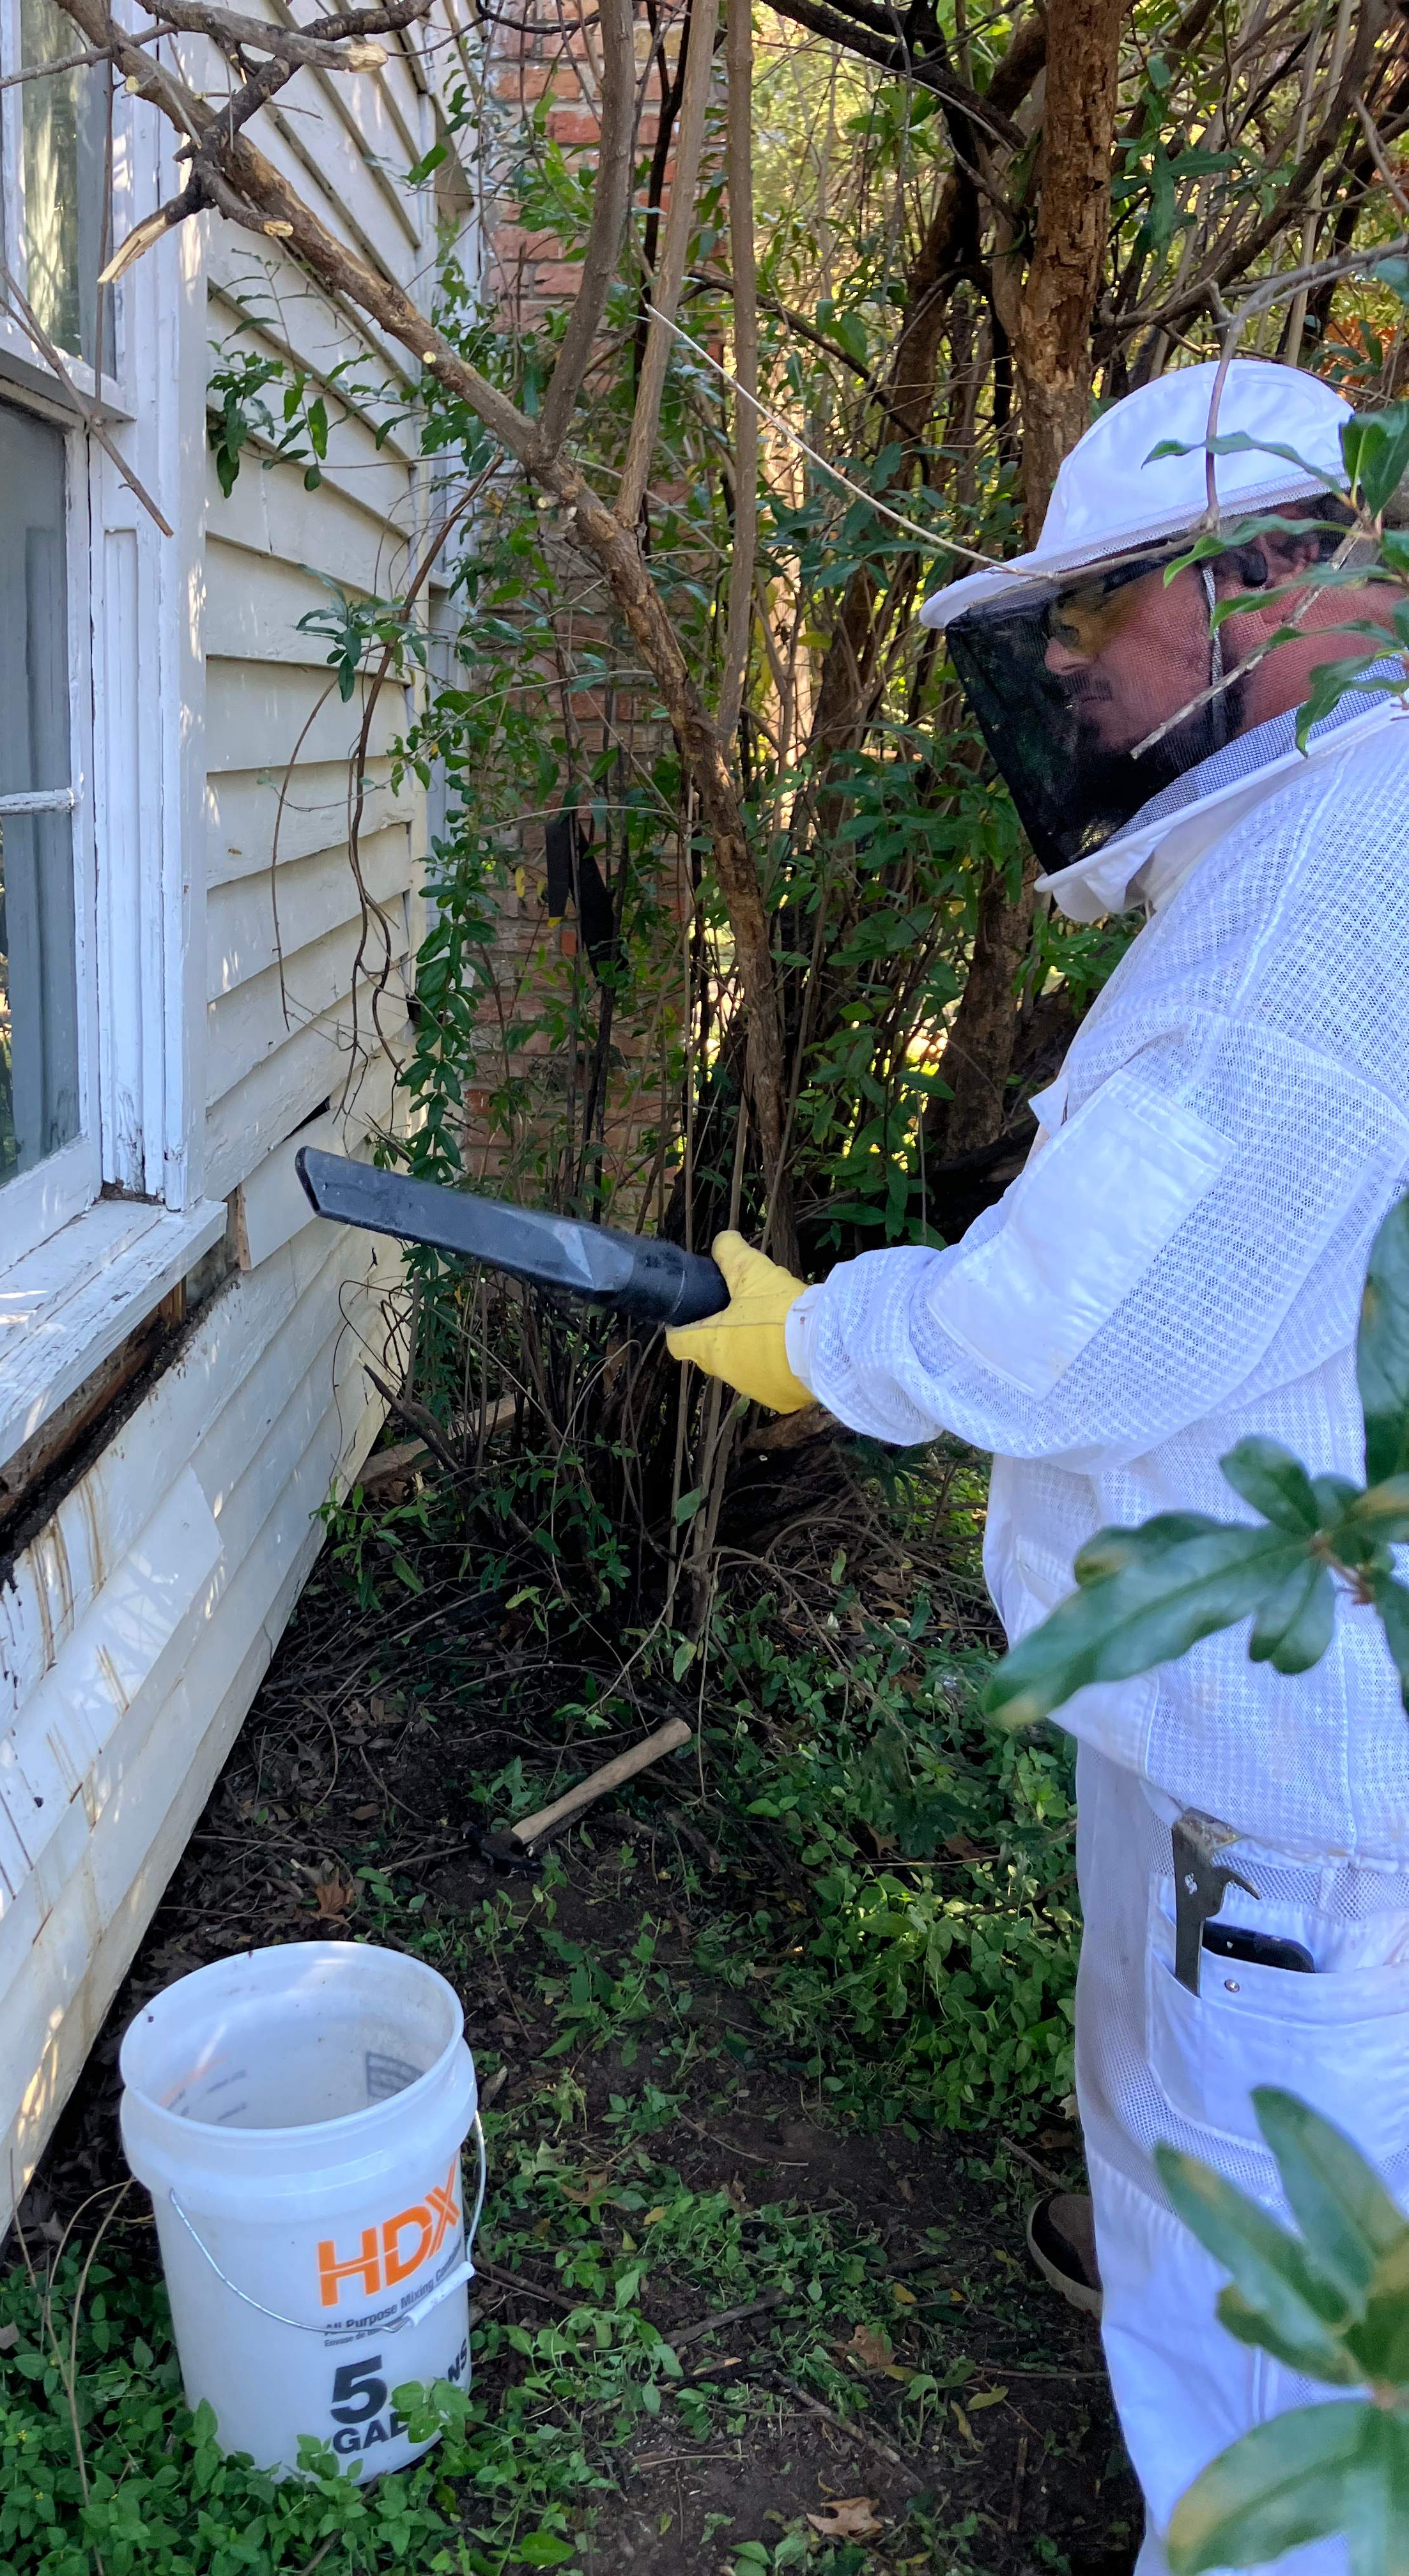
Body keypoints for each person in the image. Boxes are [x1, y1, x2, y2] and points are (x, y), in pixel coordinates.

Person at [668, 357, 1409, 2576]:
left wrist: (829, 1340)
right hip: (1313, 1765)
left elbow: (1061, 1326)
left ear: (1278, 583)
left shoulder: (1306, 914)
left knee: (1278, 2345)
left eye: (1105, 615)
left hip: (1290, 1808)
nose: (1071, 669)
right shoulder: (1347, 839)